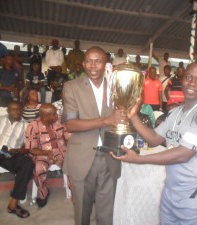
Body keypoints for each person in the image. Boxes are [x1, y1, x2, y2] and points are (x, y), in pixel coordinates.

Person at [111, 61, 197, 225]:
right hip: (170, 193)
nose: (192, 83)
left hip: (195, 197)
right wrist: (133, 116)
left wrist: (139, 160)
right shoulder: (176, 112)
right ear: (181, 79)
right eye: (188, 77)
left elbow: (183, 154)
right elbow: (154, 139)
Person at [62, 46, 124, 225]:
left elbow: (123, 118)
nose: (93, 66)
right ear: (83, 64)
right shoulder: (71, 87)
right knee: (82, 211)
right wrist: (106, 120)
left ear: (106, 65)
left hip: (110, 157)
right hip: (82, 158)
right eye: (88, 61)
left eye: (98, 61)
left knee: (107, 213)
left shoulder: (116, 88)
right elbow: (70, 125)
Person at [0, 101, 34, 218]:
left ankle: (13, 205)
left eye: (19, 109)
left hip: (11, 154)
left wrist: (17, 150)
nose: (16, 112)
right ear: (8, 111)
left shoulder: (27, 125)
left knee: (27, 164)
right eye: (13, 109)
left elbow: (28, 148)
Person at [25, 104, 69, 208]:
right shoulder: (33, 126)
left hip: (62, 150)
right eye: (52, 114)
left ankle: (77, 193)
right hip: (43, 153)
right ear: (43, 116)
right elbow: (31, 149)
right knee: (38, 169)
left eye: (55, 112)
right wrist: (47, 153)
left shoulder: (61, 121)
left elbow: (69, 137)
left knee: (72, 165)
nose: (56, 115)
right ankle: (43, 194)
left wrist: (70, 148)